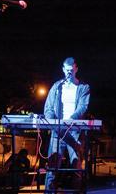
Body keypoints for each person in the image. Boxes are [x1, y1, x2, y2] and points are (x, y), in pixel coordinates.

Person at [44, 57, 90, 192]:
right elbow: (48, 108)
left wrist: (70, 120)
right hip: (57, 133)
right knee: (52, 167)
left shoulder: (83, 87)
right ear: (63, 70)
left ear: (76, 69)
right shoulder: (57, 87)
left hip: (74, 133)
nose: (69, 73)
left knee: (77, 167)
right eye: (67, 70)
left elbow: (83, 107)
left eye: (71, 70)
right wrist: (53, 122)